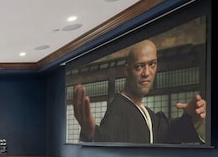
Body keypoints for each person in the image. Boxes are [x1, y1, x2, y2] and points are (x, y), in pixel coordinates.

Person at [73, 39, 206, 144]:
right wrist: (90, 132)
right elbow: (107, 141)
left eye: (152, 64)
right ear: (127, 70)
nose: (146, 73)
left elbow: (170, 131)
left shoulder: (147, 114)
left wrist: (193, 118)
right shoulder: (118, 110)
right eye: (139, 66)